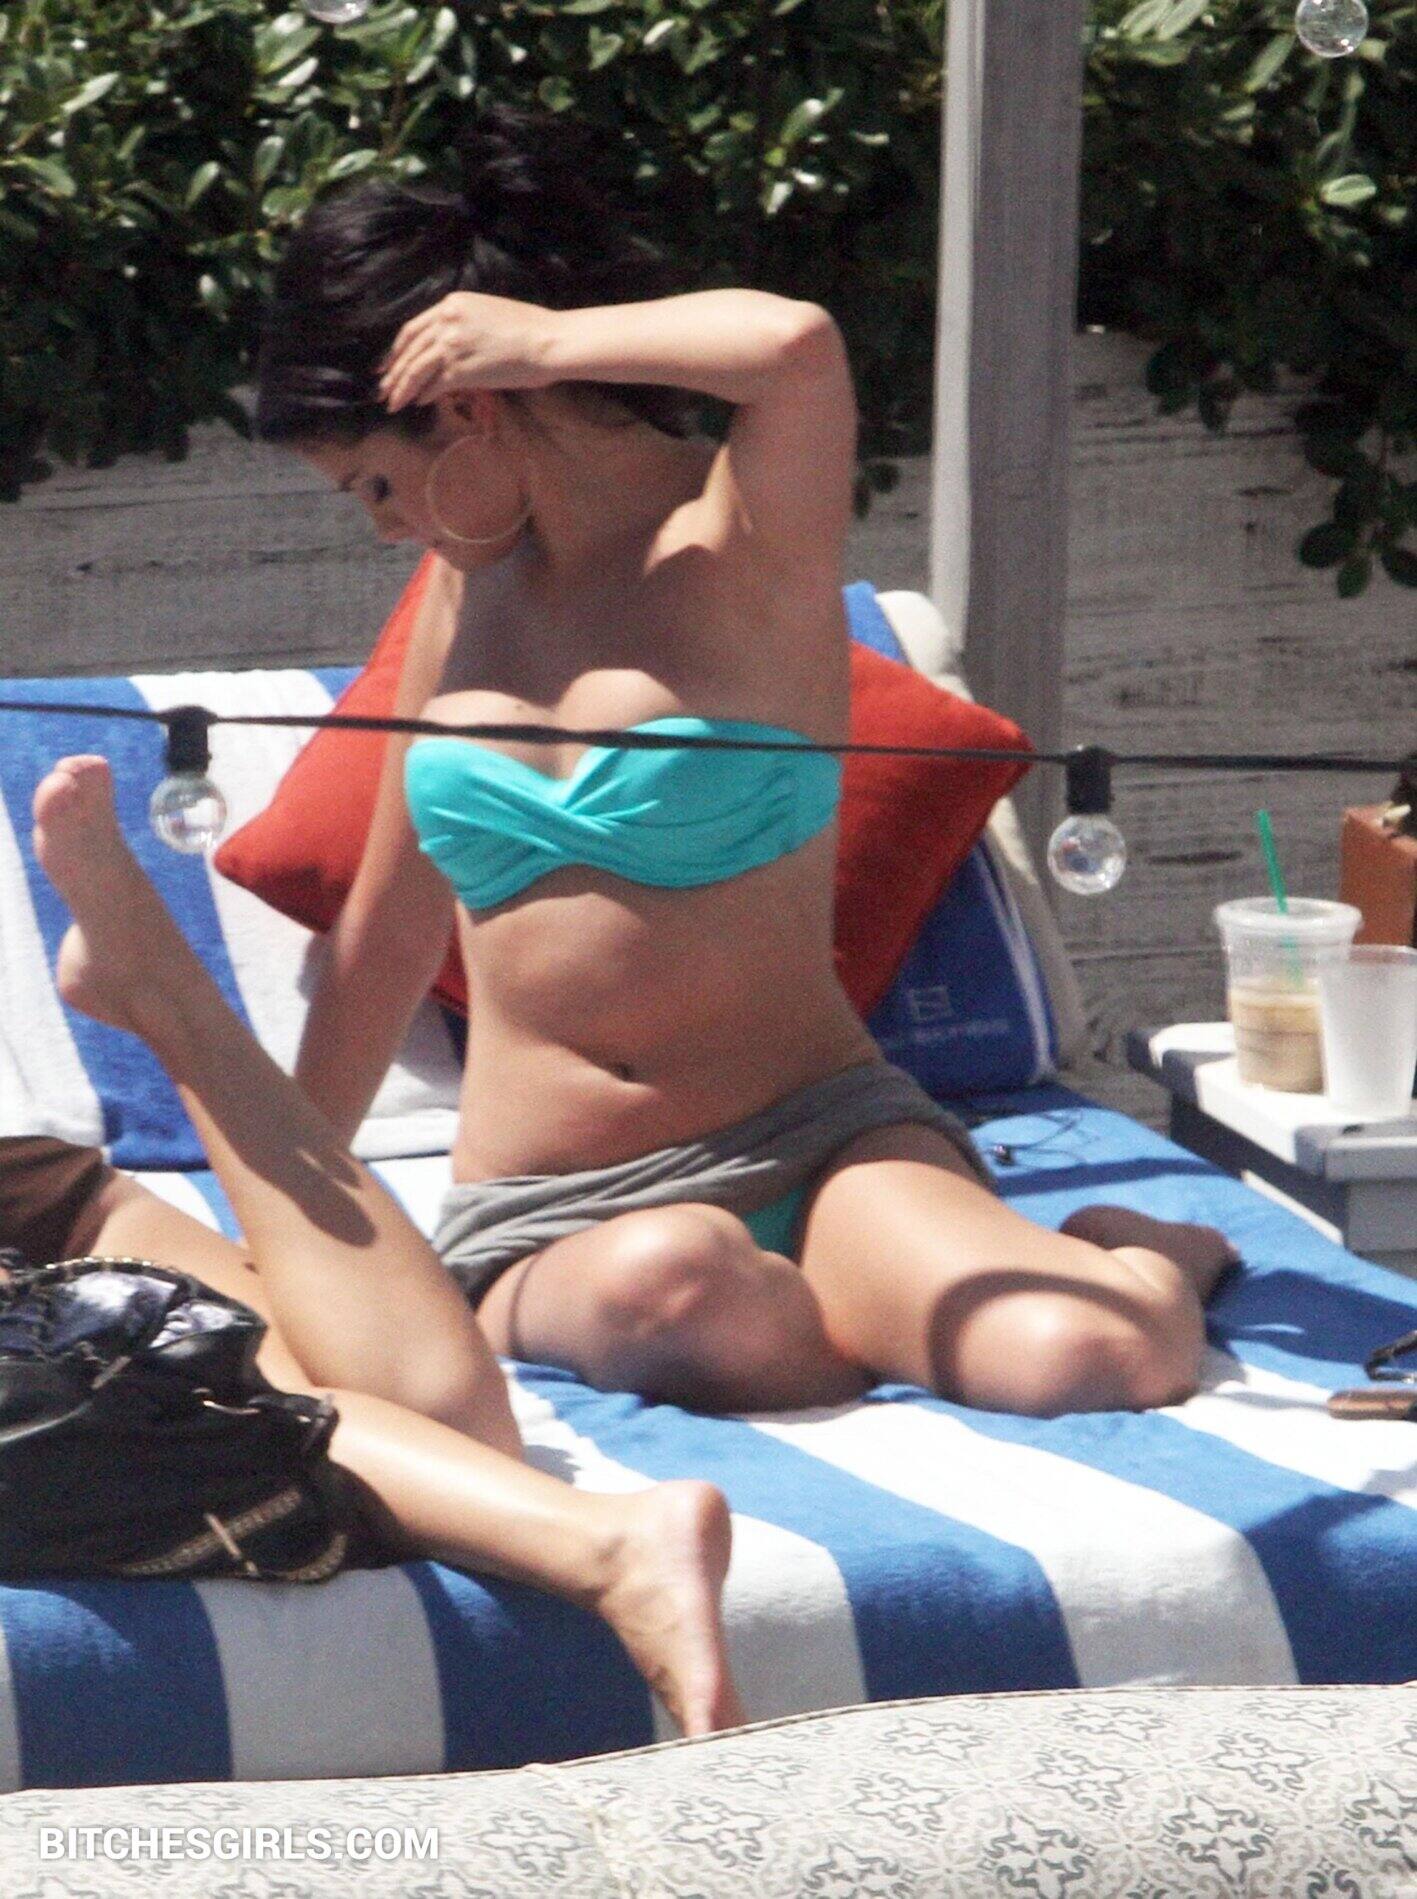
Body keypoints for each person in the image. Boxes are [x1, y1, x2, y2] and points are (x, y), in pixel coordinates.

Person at [253, 101, 1239, 1419]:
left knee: (1095, 1357)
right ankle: (853, 1322)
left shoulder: (742, 542)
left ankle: (1151, 1254)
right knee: (679, 1285)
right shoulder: (457, 595)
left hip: (821, 1141)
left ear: (470, 409)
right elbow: (381, 940)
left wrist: (548, 342)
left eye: (376, 484)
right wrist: (286, 1221)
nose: (383, 529)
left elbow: (794, 348)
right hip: (555, 1209)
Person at [13, 753, 743, 1740]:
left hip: (47, 1219)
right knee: (440, 1428)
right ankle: (608, 1545)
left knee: (423, 1412)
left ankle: (166, 992)